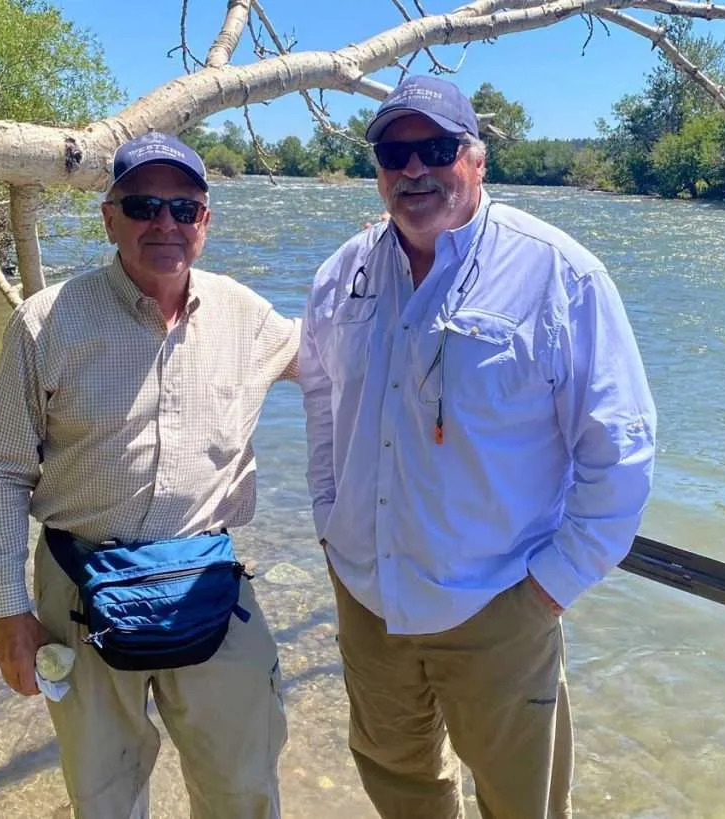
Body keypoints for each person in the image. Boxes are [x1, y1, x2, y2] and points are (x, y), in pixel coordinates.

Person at [299, 75, 657, 819]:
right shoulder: (342, 275)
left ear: (477, 159)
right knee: (399, 784)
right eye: (394, 152)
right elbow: (324, 401)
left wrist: (547, 589)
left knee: (520, 804)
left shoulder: (560, 275)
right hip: (368, 597)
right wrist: (332, 522)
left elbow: (618, 454)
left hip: (500, 606)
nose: (413, 169)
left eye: (436, 147)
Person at [0, 131, 298, 819]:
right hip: (79, 586)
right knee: (104, 794)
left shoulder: (246, 315)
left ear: (206, 221)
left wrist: (387, 259)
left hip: (210, 577)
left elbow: (345, 353)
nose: (164, 224)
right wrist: (9, 608)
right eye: (144, 204)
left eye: (184, 207)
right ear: (109, 217)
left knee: (244, 787)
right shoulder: (47, 322)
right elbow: (1, 473)